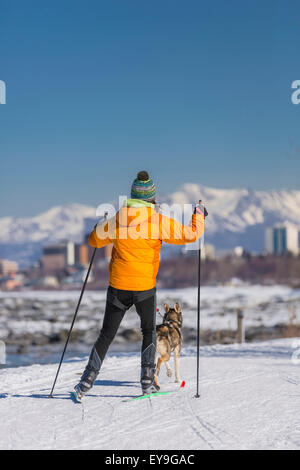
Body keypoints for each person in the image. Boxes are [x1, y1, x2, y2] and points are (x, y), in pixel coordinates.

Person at [74, 171, 206, 399]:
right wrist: (199, 215)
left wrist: (100, 225)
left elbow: (94, 240)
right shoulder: (159, 221)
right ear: (151, 198)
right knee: (148, 332)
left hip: (118, 286)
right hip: (145, 287)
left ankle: (87, 380)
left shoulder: (118, 219)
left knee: (107, 333)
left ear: (133, 195)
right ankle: (147, 381)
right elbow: (191, 235)